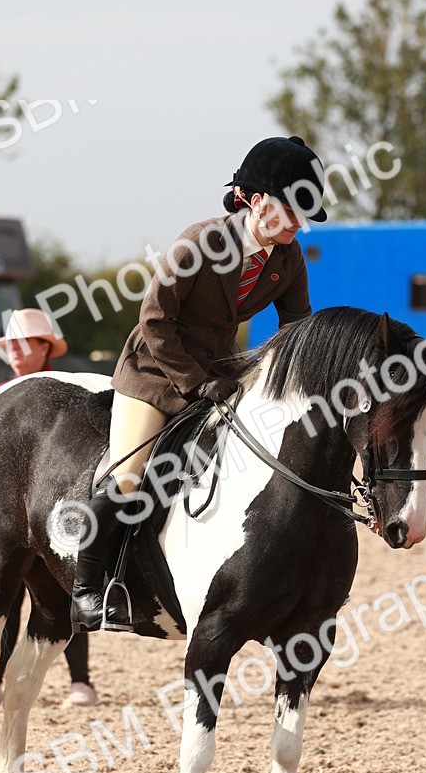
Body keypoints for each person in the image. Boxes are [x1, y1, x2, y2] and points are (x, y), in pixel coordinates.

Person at [70, 135, 327, 633]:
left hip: (220, 375)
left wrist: (276, 380)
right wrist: (194, 382)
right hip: (155, 374)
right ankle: (87, 588)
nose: (299, 226)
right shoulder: (201, 242)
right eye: (292, 213)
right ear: (256, 201)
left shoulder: (287, 259)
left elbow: (296, 329)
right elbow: (154, 322)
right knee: (130, 477)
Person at [0, 308, 102, 707]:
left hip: (54, 509)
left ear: (44, 348)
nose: (16, 352)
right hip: (8, 513)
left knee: (69, 590)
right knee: (5, 597)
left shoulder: (67, 391)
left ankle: (81, 682)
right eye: (11, 346)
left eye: (24, 344)